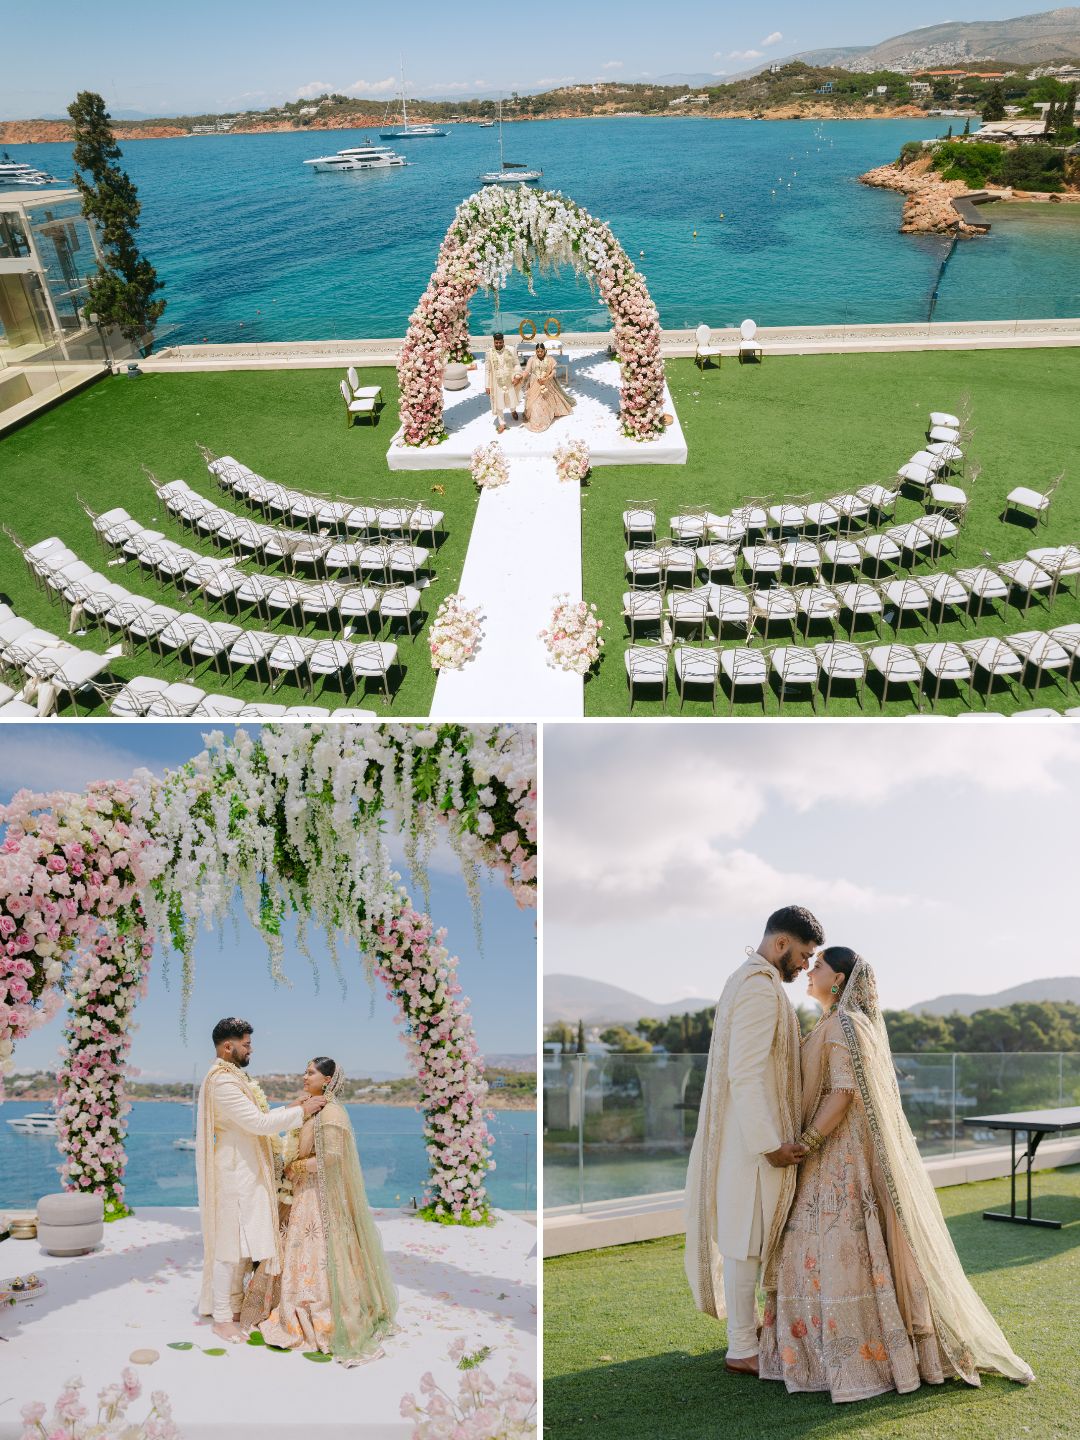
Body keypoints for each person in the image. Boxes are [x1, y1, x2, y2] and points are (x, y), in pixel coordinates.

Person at [759, 948, 1034, 1400]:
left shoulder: (845, 1025)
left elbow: (844, 1092)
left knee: (840, 1250)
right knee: (814, 1250)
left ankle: (859, 1361)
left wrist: (806, 1144)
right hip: (827, 1157)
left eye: (819, 966)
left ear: (840, 978)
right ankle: (818, 1355)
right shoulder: (829, 1024)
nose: (810, 971)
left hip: (838, 1158)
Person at [684, 905, 825, 1375]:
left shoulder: (745, 978)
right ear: (781, 944)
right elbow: (743, 1074)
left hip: (748, 1135)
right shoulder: (760, 990)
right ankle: (741, 1348)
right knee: (744, 1243)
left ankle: (750, 1337)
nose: (806, 966)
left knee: (751, 1240)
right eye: (804, 955)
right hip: (751, 1144)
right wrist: (770, 1144)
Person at [241, 1057, 398, 1364]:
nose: (304, 1075)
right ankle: (285, 1304)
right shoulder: (314, 1106)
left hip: (317, 1196)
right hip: (303, 1193)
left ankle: (321, 1314)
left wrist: (295, 1167)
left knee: (315, 1254)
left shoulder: (333, 1113)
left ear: (327, 1079)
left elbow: (333, 1158)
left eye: (310, 1072)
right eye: (305, 1070)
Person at [196, 1017, 326, 1344]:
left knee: (243, 1245)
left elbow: (258, 1117)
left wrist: (293, 1106)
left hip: (248, 1170)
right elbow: (256, 1122)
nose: (251, 1049)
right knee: (230, 1244)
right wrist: (302, 1111)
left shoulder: (235, 1077)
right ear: (229, 1046)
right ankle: (223, 1318)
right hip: (234, 1172)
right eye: (247, 1044)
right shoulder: (221, 1082)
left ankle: (236, 1307)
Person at [521, 342, 574, 434]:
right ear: (536, 351)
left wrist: (547, 378)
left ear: (544, 350)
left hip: (547, 383)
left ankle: (548, 413)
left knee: (547, 399)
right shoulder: (531, 359)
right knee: (534, 404)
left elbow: (554, 371)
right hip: (535, 383)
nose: (540, 353)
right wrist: (520, 377)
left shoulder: (550, 359)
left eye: (541, 351)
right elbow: (526, 371)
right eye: (538, 351)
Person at [486, 332, 521, 433]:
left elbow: (516, 364)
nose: (498, 345)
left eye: (500, 342)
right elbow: (487, 370)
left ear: (503, 341)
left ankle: (513, 410)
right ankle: (502, 423)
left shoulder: (511, 350)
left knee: (511, 398)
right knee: (498, 402)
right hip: (496, 382)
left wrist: (517, 375)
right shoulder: (489, 353)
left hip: (510, 379)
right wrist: (487, 385)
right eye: (496, 343)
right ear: (494, 342)